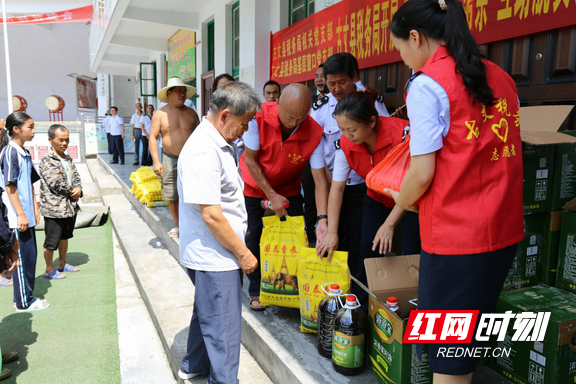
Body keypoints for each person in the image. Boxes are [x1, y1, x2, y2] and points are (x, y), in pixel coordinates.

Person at [386, 0, 524, 382]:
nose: (404, 60)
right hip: (502, 231)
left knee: (448, 358)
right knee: (465, 347)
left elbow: (422, 172)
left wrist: (400, 198)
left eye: (400, 50)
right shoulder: (501, 76)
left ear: (416, 37)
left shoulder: (428, 84)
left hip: (456, 241)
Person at [177, 81, 260, 382]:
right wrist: (244, 253)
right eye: (244, 123)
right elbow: (212, 215)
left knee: (208, 312)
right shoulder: (203, 151)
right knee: (224, 330)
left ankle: (193, 365)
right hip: (216, 256)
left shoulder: (219, 141)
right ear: (225, 116)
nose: (246, 130)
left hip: (213, 252)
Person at [316, 92, 412, 313]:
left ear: (372, 121)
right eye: (342, 130)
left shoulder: (403, 134)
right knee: (367, 251)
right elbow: (337, 189)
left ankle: (408, 313)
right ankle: (359, 309)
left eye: (352, 130)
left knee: (412, 252)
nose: (347, 135)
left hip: (414, 200)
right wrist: (332, 231)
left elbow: (412, 186)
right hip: (377, 197)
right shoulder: (346, 145)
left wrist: (389, 225)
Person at [239, 84, 328, 311]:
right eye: (289, 116)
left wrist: (323, 218)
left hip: (289, 188)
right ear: (277, 102)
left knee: (295, 239)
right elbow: (251, 160)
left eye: (301, 117)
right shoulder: (256, 116)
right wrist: (271, 195)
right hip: (255, 186)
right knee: (254, 237)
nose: (294, 122)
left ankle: (289, 288)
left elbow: (319, 180)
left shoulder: (314, 132)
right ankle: (256, 289)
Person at [311, 53, 381, 279]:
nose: (337, 88)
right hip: (333, 184)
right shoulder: (320, 108)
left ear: (354, 77)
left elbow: (383, 135)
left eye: (342, 82)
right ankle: (334, 290)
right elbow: (316, 151)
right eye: (331, 83)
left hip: (366, 185)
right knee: (334, 238)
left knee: (362, 242)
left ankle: (357, 295)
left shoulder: (369, 103)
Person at [0, 113, 49, 311]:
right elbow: (10, 186)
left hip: (26, 216)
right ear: (16, 129)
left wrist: (35, 207)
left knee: (30, 257)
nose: (34, 130)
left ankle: (24, 295)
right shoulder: (10, 152)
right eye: (30, 127)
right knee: (20, 258)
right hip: (16, 218)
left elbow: (29, 182)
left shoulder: (23, 152)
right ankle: (22, 302)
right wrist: (20, 214)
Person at [149, 77, 199, 238]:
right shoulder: (160, 114)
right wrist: (156, 161)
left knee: (193, 190)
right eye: (178, 91)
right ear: (169, 93)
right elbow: (152, 137)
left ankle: (193, 221)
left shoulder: (191, 113)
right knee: (172, 193)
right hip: (169, 157)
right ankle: (178, 224)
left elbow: (200, 135)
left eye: (184, 92)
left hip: (191, 158)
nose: (182, 95)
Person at [39, 124, 82, 280]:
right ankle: (49, 270)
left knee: (65, 237)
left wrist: (79, 189)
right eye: (60, 140)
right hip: (54, 209)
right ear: (50, 140)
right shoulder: (47, 160)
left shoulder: (68, 158)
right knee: (51, 241)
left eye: (67, 140)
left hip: (69, 207)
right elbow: (55, 184)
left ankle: (62, 264)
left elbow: (76, 176)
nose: (64, 143)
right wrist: (74, 192)